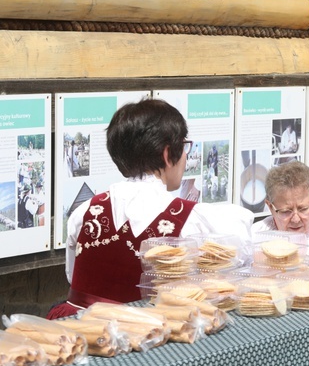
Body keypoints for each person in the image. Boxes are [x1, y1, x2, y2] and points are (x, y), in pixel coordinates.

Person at [47, 99, 255, 319]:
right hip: (148, 338)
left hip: (77, 331)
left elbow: (74, 277)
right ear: (167, 154)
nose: (186, 156)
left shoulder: (85, 211)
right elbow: (239, 262)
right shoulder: (193, 221)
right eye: (185, 147)